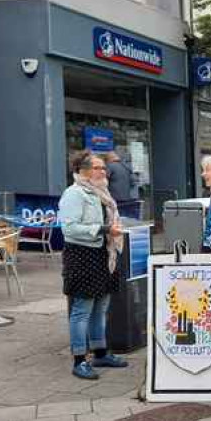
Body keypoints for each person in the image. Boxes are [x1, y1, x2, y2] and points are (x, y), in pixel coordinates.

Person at [58, 150, 127, 380]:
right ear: (82, 171)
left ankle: (100, 352)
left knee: (101, 307)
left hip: (105, 254)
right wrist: (104, 229)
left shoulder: (102, 192)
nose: (103, 171)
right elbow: (69, 228)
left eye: (103, 167)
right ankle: (79, 360)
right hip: (82, 256)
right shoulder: (74, 193)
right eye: (97, 167)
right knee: (82, 310)